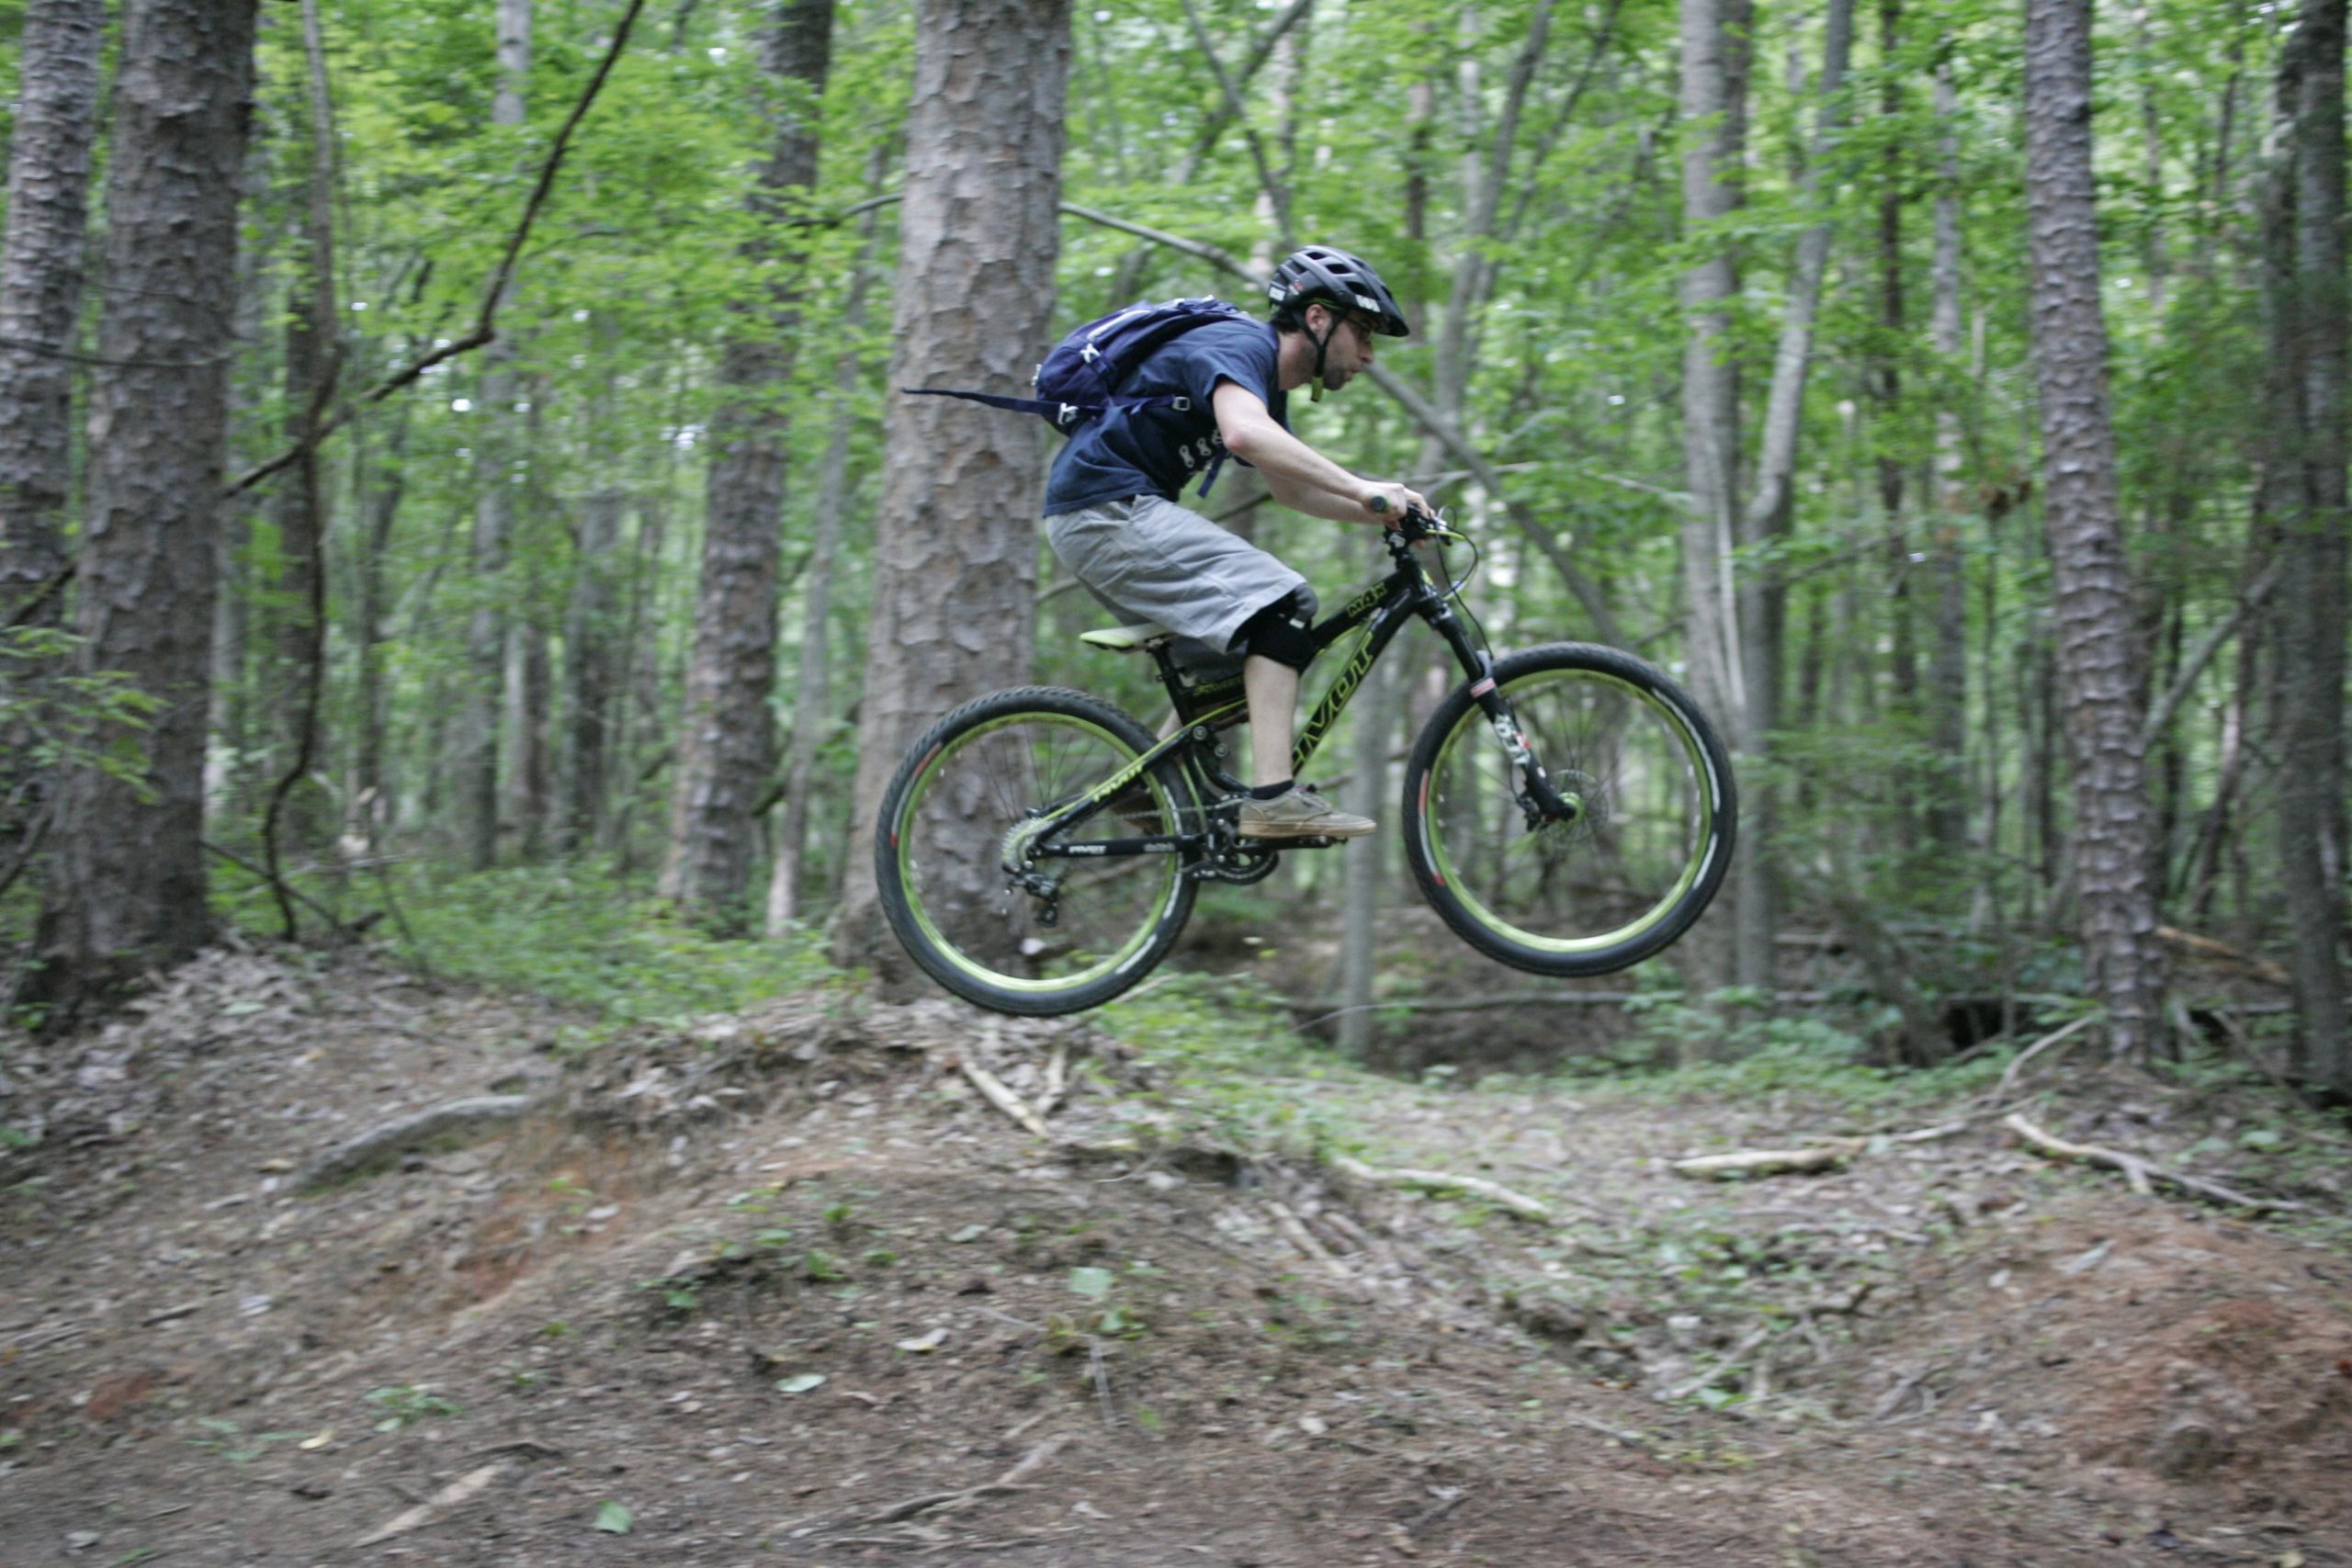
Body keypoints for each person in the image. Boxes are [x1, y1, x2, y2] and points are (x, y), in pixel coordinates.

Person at [1042, 245, 1428, 840]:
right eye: (1363, 331)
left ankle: (1152, 784)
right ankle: (1272, 798)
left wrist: (1378, 509)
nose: (1370, 355)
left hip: (1106, 516)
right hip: (1104, 510)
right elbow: (1244, 435)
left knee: (1254, 653)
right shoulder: (1240, 345)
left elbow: (1292, 492)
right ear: (1318, 318)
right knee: (1281, 600)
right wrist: (1364, 488)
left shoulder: (1262, 383)